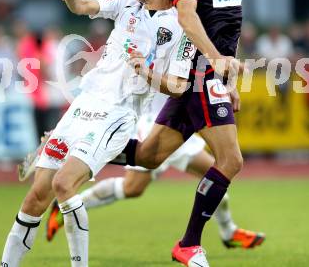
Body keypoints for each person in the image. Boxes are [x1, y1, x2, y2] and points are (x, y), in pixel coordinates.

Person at [0, 0, 193, 267]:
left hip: (118, 113)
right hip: (83, 105)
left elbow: (177, 86)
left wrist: (145, 72)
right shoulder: (125, 5)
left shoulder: (181, 27)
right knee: (36, 195)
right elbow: (84, 6)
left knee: (64, 183)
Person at [114, 0, 246, 267]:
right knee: (230, 159)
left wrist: (229, 76)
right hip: (198, 72)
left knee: (147, 156)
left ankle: (79, 148)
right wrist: (216, 62)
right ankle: (189, 244)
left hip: (209, 76)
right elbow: (187, 17)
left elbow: (230, 27)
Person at [46, 91, 265, 249]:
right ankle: (64, 205)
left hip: (179, 127)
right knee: (132, 188)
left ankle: (229, 232)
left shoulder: (190, 43)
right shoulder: (166, 41)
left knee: (219, 173)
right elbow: (171, 83)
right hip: (155, 127)